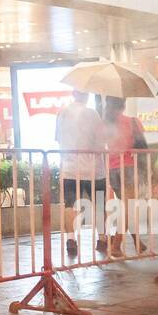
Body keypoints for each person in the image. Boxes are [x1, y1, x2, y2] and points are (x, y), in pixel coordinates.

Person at [56, 89, 107, 262]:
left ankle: (71, 239)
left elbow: (58, 139)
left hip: (69, 167)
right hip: (93, 168)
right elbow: (100, 142)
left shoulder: (62, 113)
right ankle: (102, 238)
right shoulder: (92, 114)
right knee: (99, 203)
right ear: (87, 95)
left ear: (73, 93)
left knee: (70, 204)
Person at [103, 96, 150, 258]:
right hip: (128, 168)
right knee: (128, 208)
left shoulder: (105, 125)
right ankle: (116, 246)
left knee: (125, 207)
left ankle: (137, 242)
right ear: (123, 106)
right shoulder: (132, 122)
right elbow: (143, 147)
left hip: (112, 169)